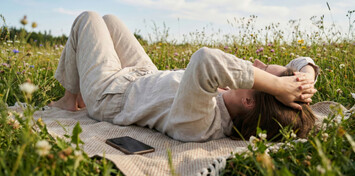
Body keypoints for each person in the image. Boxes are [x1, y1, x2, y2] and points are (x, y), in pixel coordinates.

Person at [50, 11, 319, 142]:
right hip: (145, 76)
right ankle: (73, 95)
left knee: (88, 19)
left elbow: (206, 60)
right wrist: (303, 77)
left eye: (262, 72)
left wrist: (276, 84)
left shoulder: (201, 122)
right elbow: (301, 62)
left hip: (110, 95)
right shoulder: (239, 98)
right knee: (110, 21)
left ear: (249, 101)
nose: (256, 63)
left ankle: (70, 100)